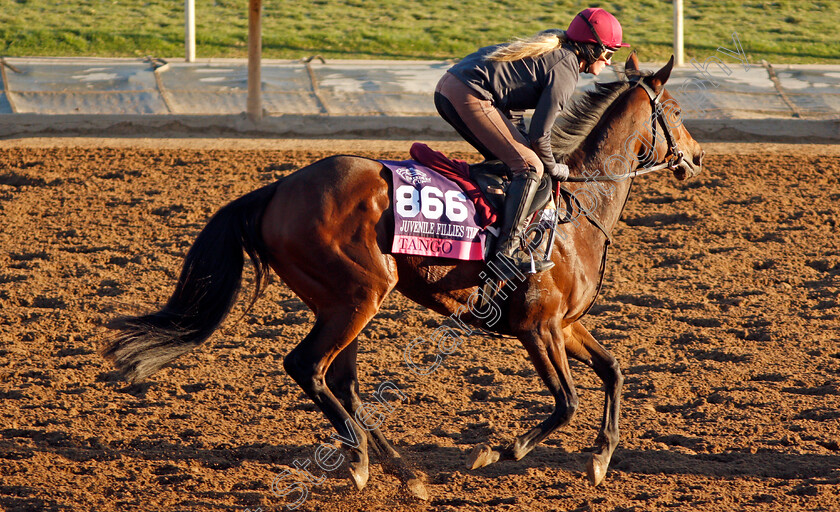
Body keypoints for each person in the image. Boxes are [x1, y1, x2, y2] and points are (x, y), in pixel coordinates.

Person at [435, 7, 629, 280]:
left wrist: (527, 146)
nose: (609, 61)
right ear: (591, 49)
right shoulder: (566, 69)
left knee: (517, 160)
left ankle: (489, 224)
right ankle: (505, 254)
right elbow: (541, 136)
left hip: (453, 88)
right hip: (467, 93)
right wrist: (555, 167)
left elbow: (511, 104)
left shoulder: (559, 51)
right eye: (609, 53)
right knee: (530, 167)